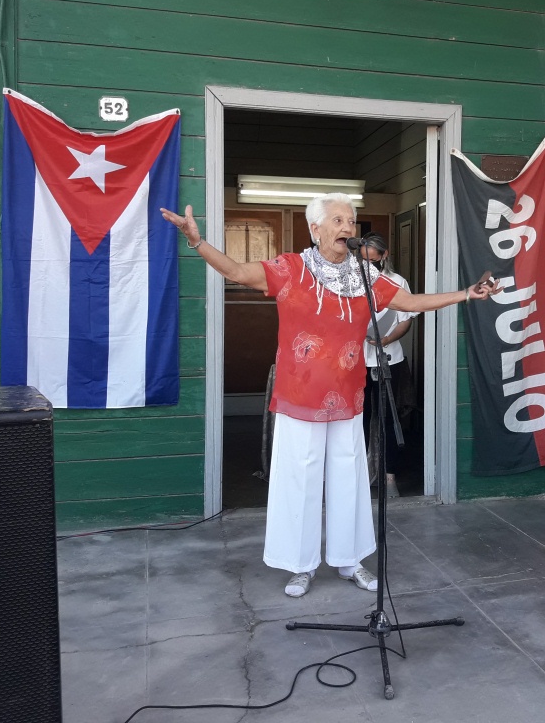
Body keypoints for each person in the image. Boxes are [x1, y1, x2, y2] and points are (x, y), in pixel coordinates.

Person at [161, 193, 501, 598]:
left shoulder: (368, 276)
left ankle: (349, 559)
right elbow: (236, 271)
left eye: (351, 221)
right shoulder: (290, 269)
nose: (347, 227)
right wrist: (197, 242)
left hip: (347, 397)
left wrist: (467, 294)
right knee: (298, 480)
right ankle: (300, 566)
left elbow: (411, 302)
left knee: (349, 480)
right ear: (315, 229)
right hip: (299, 396)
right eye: (337, 220)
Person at [359, 233, 417, 499]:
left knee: (389, 422)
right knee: (356, 423)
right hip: (356, 363)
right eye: (363, 261)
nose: (369, 266)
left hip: (389, 360)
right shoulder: (352, 281)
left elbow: (406, 319)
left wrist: (386, 339)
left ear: (384, 256)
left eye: (374, 260)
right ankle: (358, 477)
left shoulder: (397, 282)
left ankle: (389, 476)